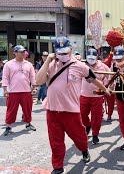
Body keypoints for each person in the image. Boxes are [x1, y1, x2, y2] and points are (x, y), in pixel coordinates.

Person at [35, 37, 110, 174]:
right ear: (55, 52)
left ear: (70, 50)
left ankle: (84, 150)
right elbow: (38, 81)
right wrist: (47, 61)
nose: (63, 56)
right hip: (52, 111)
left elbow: (94, 80)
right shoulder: (50, 65)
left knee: (79, 138)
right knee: (55, 141)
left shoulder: (80, 66)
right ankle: (58, 167)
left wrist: (105, 90)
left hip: (71, 111)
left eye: (65, 52)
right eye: (60, 53)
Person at [2, 45, 37, 136]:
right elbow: (5, 77)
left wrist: (34, 87)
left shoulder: (29, 64)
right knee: (11, 110)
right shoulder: (8, 64)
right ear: (15, 53)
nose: (23, 53)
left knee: (27, 109)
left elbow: (32, 77)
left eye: (23, 52)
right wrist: (5, 89)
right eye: (21, 52)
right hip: (13, 92)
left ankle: (28, 124)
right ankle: (8, 126)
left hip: (26, 91)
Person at [80, 48, 110, 145]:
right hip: (84, 95)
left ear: (97, 57)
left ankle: (95, 134)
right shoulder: (82, 66)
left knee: (96, 117)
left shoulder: (103, 66)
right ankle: (87, 125)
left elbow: (108, 77)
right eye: (89, 58)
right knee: (82, 115)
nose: (91, 60)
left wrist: (105, 87)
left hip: (97, 96)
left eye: (93, 58)